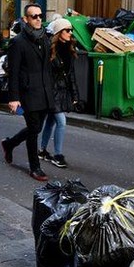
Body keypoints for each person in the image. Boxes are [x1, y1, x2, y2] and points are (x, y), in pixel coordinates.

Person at [1, 3, 55, 182]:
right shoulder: (18, 42)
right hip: (28, 92)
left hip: (45, 91)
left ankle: (9, 144)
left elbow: (47, 66)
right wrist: (14, 98)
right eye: (34, 16)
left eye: (40, 15)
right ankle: (35, 167)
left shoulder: (45, 38)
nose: (39, 19)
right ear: (26, 19)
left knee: (36, 127)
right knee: (33, 130)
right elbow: (13, 71)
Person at [38, 17, 79, 169]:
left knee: (51, 121)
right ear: (59, 32)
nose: (70, 33)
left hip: (62, 92)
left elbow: (72, 75)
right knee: (61, 121)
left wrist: (75, 96)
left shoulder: (69, 49)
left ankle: (42, 150)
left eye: (71, 30)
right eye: (67, 30)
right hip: (51, 92)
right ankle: (58, 155)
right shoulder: (49, 49)